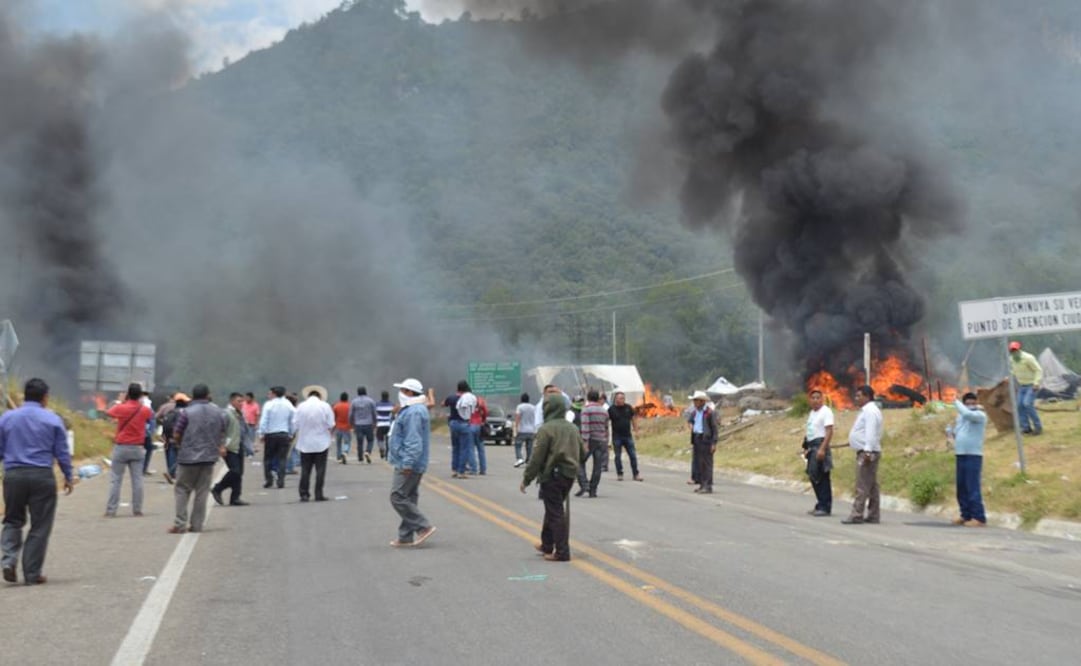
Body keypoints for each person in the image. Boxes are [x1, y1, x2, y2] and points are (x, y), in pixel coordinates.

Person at [0, 378, 74, 585]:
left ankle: (8, 560)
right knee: (40, 525)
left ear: (25, 396)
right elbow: (62, 452)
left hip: (14, 475)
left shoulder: (7, 418)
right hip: (42, 476)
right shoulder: (52, 420)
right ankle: (32, 574)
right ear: (45, 397)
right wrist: (68, 476)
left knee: (13, 520)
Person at [520, 393, 586, 562]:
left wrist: (526, 479)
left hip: (552, 475)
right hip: (569, 475)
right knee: (552, 509)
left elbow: (537, 458)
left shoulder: (546, 429)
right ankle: (546, 544)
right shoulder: (573, 428)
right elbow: (583, 453)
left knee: (555, 512)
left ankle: (562, 552)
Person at [170, 384, 228, 534]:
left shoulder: (186, 413)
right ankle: (197, 525)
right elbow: (222, 432)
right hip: (209, 458)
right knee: (202, 492)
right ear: (208, 395)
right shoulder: (218, 412)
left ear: (193, 395)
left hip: (188, 457)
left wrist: (179, 444)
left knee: (182, 489)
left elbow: (177, 433)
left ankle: (180, 524)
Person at [387, 378, 436, 547]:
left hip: (409, 462)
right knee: (408, 497)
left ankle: (423, 527)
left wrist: (407, 463)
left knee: (397, 497)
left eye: (402, 390)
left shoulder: (414, 412)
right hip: (411, 461)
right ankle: (405, 536)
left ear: (409, 392)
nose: (400, 394)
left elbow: (413, 441)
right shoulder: (412, 409)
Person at [105, 383, 154, 517]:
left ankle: (111, 510)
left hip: (121, 447)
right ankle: (137, 509)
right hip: (137, 448)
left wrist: (121, 401)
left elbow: (108, 412)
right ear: (140, 395)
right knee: (137, 479)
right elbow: (151, 416)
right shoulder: (144, 410)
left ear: (128, 394)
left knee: (116, 480)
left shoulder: (121, 407)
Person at [842, 385, 883, 525]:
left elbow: (870, 432)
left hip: (867, 452)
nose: (856, 398)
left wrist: (867, 451)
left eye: (859, 396)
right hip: (868, 450)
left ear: (867, 396)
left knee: (862, 485)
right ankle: (873, 515)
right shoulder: (868, 410)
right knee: (871, 485)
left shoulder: (870, 411)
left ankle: (856, 514)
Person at [950, 392, 988, 527]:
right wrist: (950, 432)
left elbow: (968, 414)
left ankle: (979, 517)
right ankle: (965, 515)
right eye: (968, 403)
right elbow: (957, 431)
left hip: (973, 455)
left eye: (973, 403)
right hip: (961, 454)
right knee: (962, 487)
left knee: (972, 486)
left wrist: (955, 402)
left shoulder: (979, 415)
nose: (970, 406)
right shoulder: (961, 417)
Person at [295, 385, 335, 502]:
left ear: (308, 396)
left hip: (305, 443)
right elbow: (331, 424)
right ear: (320, 396)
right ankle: (318, 494)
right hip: (321, 442)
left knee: (305, 470)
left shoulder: (301, 406)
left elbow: (295, 424)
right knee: (320, 470)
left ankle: (304, 494)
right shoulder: (325, 406)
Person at [211, 393, 248, 507]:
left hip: (238, 445)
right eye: (238, 401)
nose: (241, 403)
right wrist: (221, 446)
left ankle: (235, 497)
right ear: (232, 401)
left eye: (242, 401)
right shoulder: (226, 413)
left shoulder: (239, 414)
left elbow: (243, 430)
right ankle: (218, 488)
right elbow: (220, 430)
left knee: (239, 473)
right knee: (235, 471)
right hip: (229, 447)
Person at [802, 389, 834, 516]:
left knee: (822, 477)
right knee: (813, 476)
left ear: (822, 399)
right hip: (812, 445)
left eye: (818, 398)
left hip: (820, 445)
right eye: (813, 398)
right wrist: (805, 447)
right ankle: (820, 504)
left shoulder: (826, 412)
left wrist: (822, 448)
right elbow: (810, 431)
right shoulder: (812, 413)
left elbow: (829, 431)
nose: (815, 400)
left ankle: (825, 507)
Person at [258, 386, 296, 489]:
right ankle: (281, 480)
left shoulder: (269, 404)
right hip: (284, 434)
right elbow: (293, 421)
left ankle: (269, 480)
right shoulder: (289, 405)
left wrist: (261, 433)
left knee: (268, 458)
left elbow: (264, 420)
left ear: (274, 394)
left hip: (271, 434)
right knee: (282, 459)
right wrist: (291, 433)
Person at [576, 390, 609, 498]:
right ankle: (593, 490)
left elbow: (585, 426)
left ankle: (585, 484)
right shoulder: (604, 411)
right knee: (597, 466)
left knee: (579, 461)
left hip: (590, 440)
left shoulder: (586, 410)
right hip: (601, 440)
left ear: (588, 397)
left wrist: (585, 441)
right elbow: (606, 427)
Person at [1008, 341, 1043, 435]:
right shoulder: (1011, 359)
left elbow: (1038, 370)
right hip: (1022, 386)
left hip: (1031, 385)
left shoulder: (1028, 358)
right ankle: (1026, 427)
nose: (1014, 352)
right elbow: (1014, 371)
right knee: (1019, 405)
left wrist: (1036, 383)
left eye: (1015, 350)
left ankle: (1038, 427)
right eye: (1012, 350)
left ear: (1019, 349)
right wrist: (1009, 376)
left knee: (1027, 404)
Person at [687, 390, 719, 494]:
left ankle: (708, 485)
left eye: (696, 401)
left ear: (702, 401)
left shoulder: (709, 413)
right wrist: (691, 425)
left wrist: (714, 443)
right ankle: (702, 484)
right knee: (699, 463)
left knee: (707, 463)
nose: (694, 403)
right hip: (697, 438)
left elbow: (714, 428)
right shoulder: (695, 412)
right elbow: (690, 420)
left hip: (706, 439)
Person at [608, 391, 642, 482]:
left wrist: (636, 431)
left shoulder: (628, 408)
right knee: (618, 456)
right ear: (616, 399)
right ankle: (620, 473)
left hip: (627, 436)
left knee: (633, 455)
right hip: (617, 437)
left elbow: (633, 419)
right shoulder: (611, 409)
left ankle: (636, 474)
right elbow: (607, 422)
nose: (621, 400)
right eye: (619, 398)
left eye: (623, 398)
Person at [157, 392, 189, 484]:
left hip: (170, 437)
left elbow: (165, 424)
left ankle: (171, 473)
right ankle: (174, 473)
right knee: (181, 456)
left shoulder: (171, 412)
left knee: (171, 453)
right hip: (182, 437)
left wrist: (165, 436)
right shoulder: (186, 412)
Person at [455, 382, 481, 475]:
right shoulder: (472, 397)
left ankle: (458, 469)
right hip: (469, 423)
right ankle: (467, 469)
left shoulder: (463, 397)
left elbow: (459, 406)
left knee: (460, 448)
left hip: (461, 422)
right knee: (469, 448)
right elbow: (471, 409)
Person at [349, 386, 378, 464]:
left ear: (358, 392)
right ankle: (368, 452)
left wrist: (351, 423)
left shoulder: (354, 402)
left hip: (358, 424)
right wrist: (375, 422)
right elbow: (374, 413)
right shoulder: (371, 401)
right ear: (365, 392)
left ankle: (360, 458)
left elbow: (351, 414)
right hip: (368, 424)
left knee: (359, 442)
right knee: (370, 440)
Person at [513, 392, 536, 468]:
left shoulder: (520, 407)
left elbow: (517, 417)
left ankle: (519, 458)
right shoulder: (533, 407)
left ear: (521, 399)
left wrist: (516, 428)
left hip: (522, 430)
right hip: (531, 430)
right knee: (529, 446)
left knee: (518, 444)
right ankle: (529, 460)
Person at [332, 392, 353, 464]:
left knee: (338, 443)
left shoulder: (336, 406)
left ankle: (338, 457)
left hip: (338, 427)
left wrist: (333, 428)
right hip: (347, 427)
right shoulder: (350, 406)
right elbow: (352, 417)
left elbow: (334, 417)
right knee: (347, 442)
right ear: (347, 398)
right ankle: (345, 452)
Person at [375, 391, 394, 460]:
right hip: (389, 424)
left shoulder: (377, 404)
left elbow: (376, 412)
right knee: (388, 440)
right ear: (388, 396)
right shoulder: (391, 404)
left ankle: (382, 449)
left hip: (380, 424)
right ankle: (387, 455)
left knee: (380, 438)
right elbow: (393, 414)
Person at [241, 392, 261, 456]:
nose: (246, 398)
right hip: (243, 424)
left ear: (251, 398)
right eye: (245, 397)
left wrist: (257, 424)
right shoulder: (243, 404)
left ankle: (250, 452)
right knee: (243, 438)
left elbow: (257, 415)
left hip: (251, 424)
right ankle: (245, 451)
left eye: (248, 397)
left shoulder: (255, 405)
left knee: (251, 438)